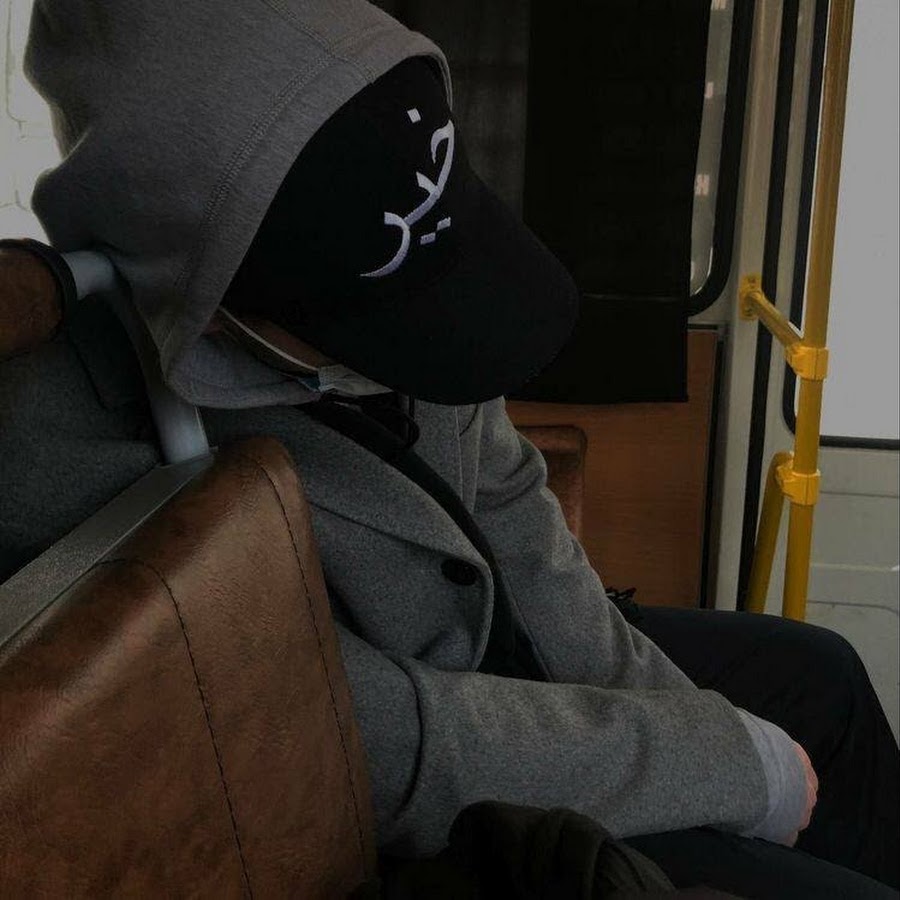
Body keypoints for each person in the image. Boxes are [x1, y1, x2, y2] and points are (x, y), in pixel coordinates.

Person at [1, 1, 896, 896]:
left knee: (822, 677)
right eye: (371, 325)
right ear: (207, 300)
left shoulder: (395, 269)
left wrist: (703, 730)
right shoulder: (55, 453)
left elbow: (516, 521)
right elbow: (353, 735)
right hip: (386, 795)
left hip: (486, 639)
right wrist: (719, 764)